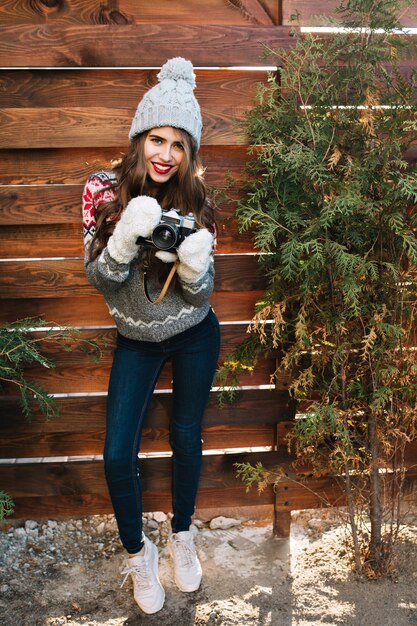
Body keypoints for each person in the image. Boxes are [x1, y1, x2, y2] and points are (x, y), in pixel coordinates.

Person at [81, 57, 220, 614]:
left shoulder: (198, 203)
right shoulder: (101, 191)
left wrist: (190, 265)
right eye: (156, 139)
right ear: (139, 138)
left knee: (186, 436)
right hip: (135, 338)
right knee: (118, 453)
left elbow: (200, 297)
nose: (164, 155)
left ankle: (182, 536)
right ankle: (138, 556)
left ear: (190, 153)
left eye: (178, 144)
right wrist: (121, 240)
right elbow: (101, 279)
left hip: (193, 333)